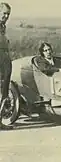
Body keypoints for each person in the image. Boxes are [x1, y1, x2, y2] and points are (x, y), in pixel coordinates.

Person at [0, 2, 13, 130]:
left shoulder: (2, 26)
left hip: (4, 58)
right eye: (4, 13)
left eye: (8, 14)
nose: (6, 16)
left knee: (3, 91)